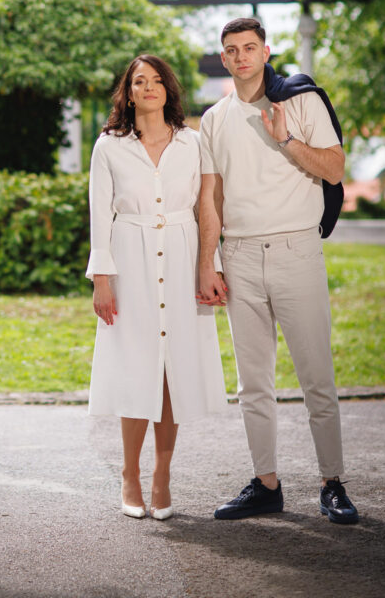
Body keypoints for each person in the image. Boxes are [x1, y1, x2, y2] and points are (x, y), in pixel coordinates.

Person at [198, 17, 359, 525]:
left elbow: (334, 170)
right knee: (253, 383)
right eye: (231, 50)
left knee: (316, 376)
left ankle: (332, 483)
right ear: (223, 59)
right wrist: (209, 261)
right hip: (240, 255)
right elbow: (211, 197)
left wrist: (286, 138)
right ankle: (266, 484)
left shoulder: (300, 101)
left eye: (250, 47)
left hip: (296, 248)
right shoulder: (213, 118)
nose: (241, 56)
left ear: (266, 52)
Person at [87, 54, 228, 520]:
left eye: (156, 80)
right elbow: (99, 214)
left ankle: (161, 475)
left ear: (168, 89)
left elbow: (206, 205)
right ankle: (130, 473)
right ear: (127, 93)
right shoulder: (108, 146)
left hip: (183, 253)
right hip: (130, 259)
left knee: (173, 372)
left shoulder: (193, 142)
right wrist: (101, 279)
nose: (148, 87)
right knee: (136, 367)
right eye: (138, 81)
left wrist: (210, 265)